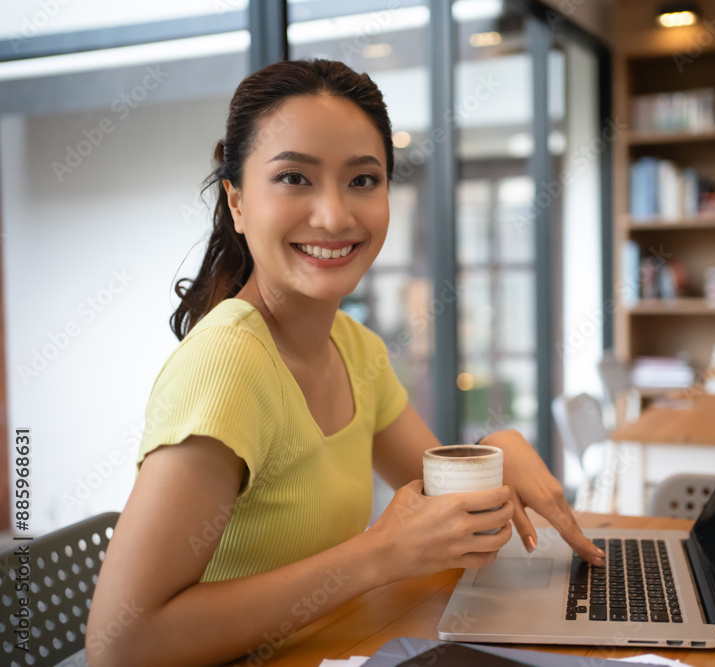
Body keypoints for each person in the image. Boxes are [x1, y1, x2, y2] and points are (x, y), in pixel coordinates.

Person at [86, 58, 604, 666]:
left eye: (363, 181)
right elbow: (122, 645)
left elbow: (441, 517)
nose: (334, 216)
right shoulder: (227, 365)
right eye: (293, 179)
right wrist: (379, 555)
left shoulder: (355, 348)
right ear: (237, 203)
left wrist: (491, 454)